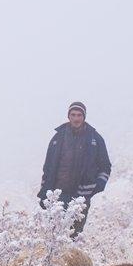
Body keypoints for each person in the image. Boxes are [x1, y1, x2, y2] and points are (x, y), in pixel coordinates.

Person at [37, 101, 112, 236]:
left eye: (79, 115)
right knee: (54, 235)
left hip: (81, 196)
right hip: (58, 194)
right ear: (68, 116)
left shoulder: (95, 139)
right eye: (73, 115)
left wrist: (98, 186)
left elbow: (105, 166)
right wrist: (45, 191)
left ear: (84, 117)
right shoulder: (58, 137)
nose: (76, 118)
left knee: (74, 235)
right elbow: (48, 167)